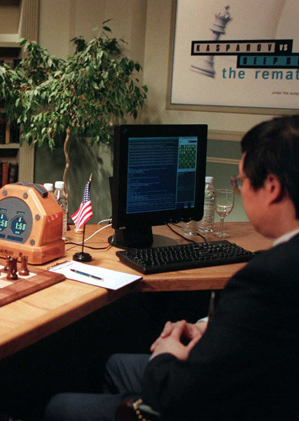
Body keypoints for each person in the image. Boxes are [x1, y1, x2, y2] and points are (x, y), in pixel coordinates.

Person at [44, 115, 299, 421]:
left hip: (230, 401)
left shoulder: (266, 279)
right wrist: (209, 328)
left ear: (271, 187)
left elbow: (180, 394)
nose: (241, 189)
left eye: (240, 181)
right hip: (260, 385)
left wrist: (167, 353)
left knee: (59, 406)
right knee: (115, 364)